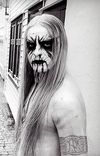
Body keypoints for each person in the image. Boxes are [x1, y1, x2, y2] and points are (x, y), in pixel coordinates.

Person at [15, 14, 87, 156]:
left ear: (60, 46)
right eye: (31, 45)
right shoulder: (38, 81)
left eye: (46, 44)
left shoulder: (66, 101)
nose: (37, 53)